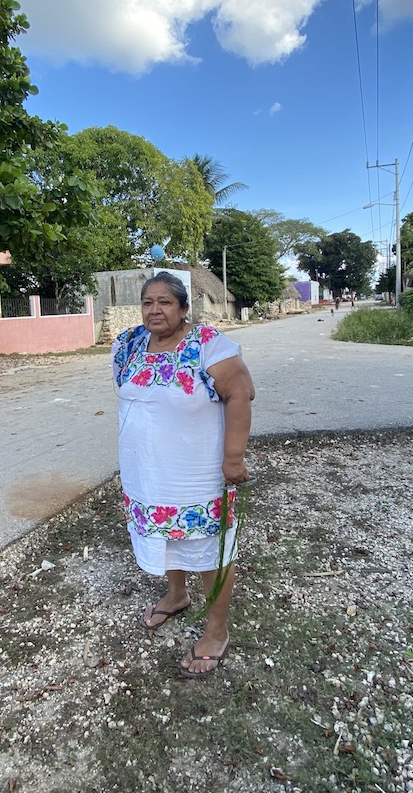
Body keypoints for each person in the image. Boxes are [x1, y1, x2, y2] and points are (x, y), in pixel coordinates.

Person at [112, 271, 255, 678]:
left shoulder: (208, 345)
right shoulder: (128, 345)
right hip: (147, 471)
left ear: (184, 308)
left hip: (198, 473)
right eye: (147, 302)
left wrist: (233, 458)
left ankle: (216, 631)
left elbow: (240, 393)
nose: (154, 310)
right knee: (166, 537)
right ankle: (176, 595)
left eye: (165, 302)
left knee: (211, 551)